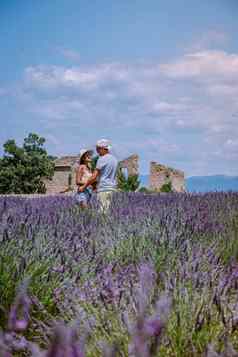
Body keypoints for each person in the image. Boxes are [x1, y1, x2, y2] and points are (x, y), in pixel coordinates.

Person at [78, 139, 118, 211]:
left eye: (98, 149)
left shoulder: (102, 159)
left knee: (102, 213)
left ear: (103, 148)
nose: (97, 151)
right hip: (112, 188)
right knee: (109, 211)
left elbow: (94, 176)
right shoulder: (114, 159)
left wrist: (84, 186)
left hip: (104, 188)